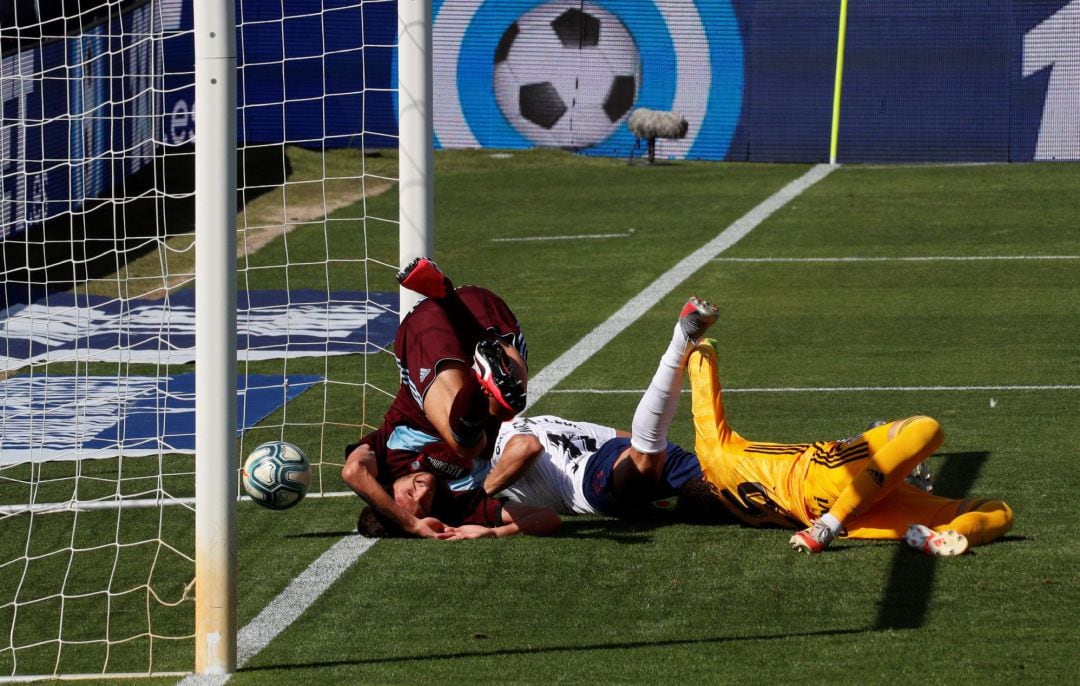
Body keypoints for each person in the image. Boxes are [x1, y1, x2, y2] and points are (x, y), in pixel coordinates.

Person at [341, 257, 530, 538]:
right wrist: (490, 532)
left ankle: (479, 380)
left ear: (387, 486)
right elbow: (544, 518)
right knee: (506, 407)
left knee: (466, 445)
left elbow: (353, 472)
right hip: (477, 309)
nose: (423, 492)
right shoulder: (456, 505)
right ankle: (459, 319)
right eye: (425, 505)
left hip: (425, 332)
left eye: (409, 494)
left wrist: (413, 524)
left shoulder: (383, 458)